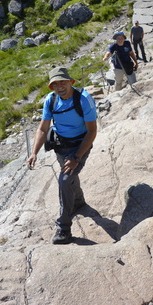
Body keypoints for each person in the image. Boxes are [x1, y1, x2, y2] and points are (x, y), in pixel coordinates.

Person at [27, 67, 98, 244]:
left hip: (80, 145)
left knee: (65, 180)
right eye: (55, 84)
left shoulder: (83, 99)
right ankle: (78, 201)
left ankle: (64, 229)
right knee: (69, 178)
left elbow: (92, 131)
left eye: (63, 82)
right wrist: (34, 152)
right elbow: (43, 128)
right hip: (60, 146)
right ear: (52, 87)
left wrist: (76, 157)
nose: (60, 87)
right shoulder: (50, 101)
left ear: (71, 82)